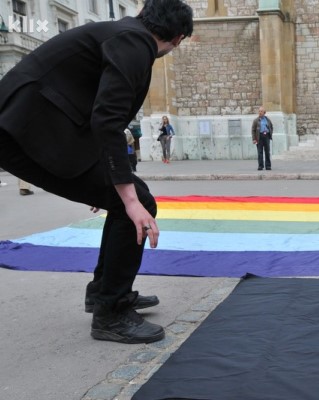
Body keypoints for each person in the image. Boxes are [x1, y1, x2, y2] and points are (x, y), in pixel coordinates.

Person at [0, 0, 194, 344]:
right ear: (178, 39)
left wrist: (103, 182)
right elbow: (107, 120)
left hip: (32, 128)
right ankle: (111, 312)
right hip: (23, 131)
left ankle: (104, 292)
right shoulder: (135, 44)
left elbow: (95, 112)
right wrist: (125, 195)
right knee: (139, 204)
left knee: (125, 198)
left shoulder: (123, 34)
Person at [251, 106, 274, 170]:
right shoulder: (256, 120)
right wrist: (254, 139)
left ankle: (268, 166)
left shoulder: (268, 120)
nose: (260, 112)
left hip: (266, 136)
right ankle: (260, 166)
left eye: (261, 111)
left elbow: (271, 126)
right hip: (259, 137)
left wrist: (270, 133)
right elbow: (253, 130)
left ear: (264, 112)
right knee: (260, 152)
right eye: (259, 111)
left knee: (267, 152)